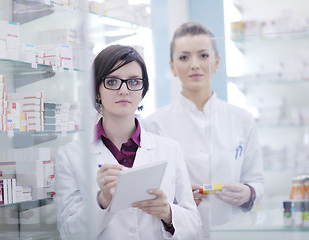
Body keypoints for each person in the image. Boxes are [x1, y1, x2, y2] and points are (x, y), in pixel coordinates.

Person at [55, 44, 201, 240]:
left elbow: (194, 225)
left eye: (133, 82)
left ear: (142, 91)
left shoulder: (169, 149)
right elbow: (69, 232)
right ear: (96, 91)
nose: (124, 91)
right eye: (112, 82)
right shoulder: (70, 156)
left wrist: (167, 212)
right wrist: (102, 201)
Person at [142, 22, 264, 239]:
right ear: (172, 67)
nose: (194, 65)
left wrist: (248, 192)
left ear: (217, 62)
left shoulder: (242, 119)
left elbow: (257, 180)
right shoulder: (153, 125)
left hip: (233, 230)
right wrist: (177, 198)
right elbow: (149, 192)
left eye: (203, 55)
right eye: (184, 57)